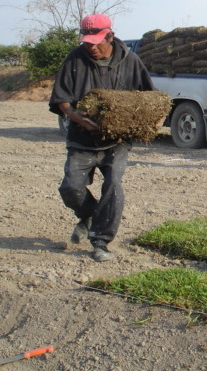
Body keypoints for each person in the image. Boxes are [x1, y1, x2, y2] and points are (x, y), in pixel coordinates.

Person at [49, 14, 155, 262]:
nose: (92, 47)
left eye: (96, 42)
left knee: (113, 186)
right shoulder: (75, 58)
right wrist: (76, 117)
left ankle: (100, 241)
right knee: (70, 188)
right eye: (87, 42)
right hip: (82, 137)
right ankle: (89, 214)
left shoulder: (131, 61)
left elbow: (149, 98)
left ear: (110, 35)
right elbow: (61, 98)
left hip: (117, 140)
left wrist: (151, 121)